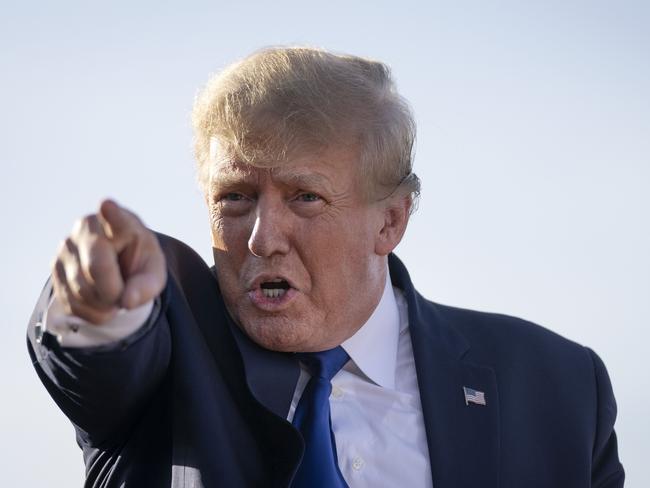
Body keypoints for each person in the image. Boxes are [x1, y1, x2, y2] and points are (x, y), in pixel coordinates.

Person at [27, 47, 624, 488]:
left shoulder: (559, 387)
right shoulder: (171, 344)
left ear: (390, 222)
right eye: (234, 197)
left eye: (305, 198)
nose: (262, 238)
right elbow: (98, 353)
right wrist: (96, 303)